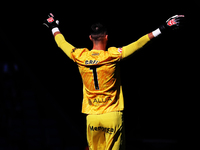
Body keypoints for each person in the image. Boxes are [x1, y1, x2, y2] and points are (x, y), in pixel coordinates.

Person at [43, 14, 185, 150]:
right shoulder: (112, 55)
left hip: (92, 117)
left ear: (90, 38)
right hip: (112, 115)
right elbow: (138, 44)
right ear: (106, 37)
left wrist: (53, 26)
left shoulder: (79, 55)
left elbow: (62, 43)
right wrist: (164, 27)